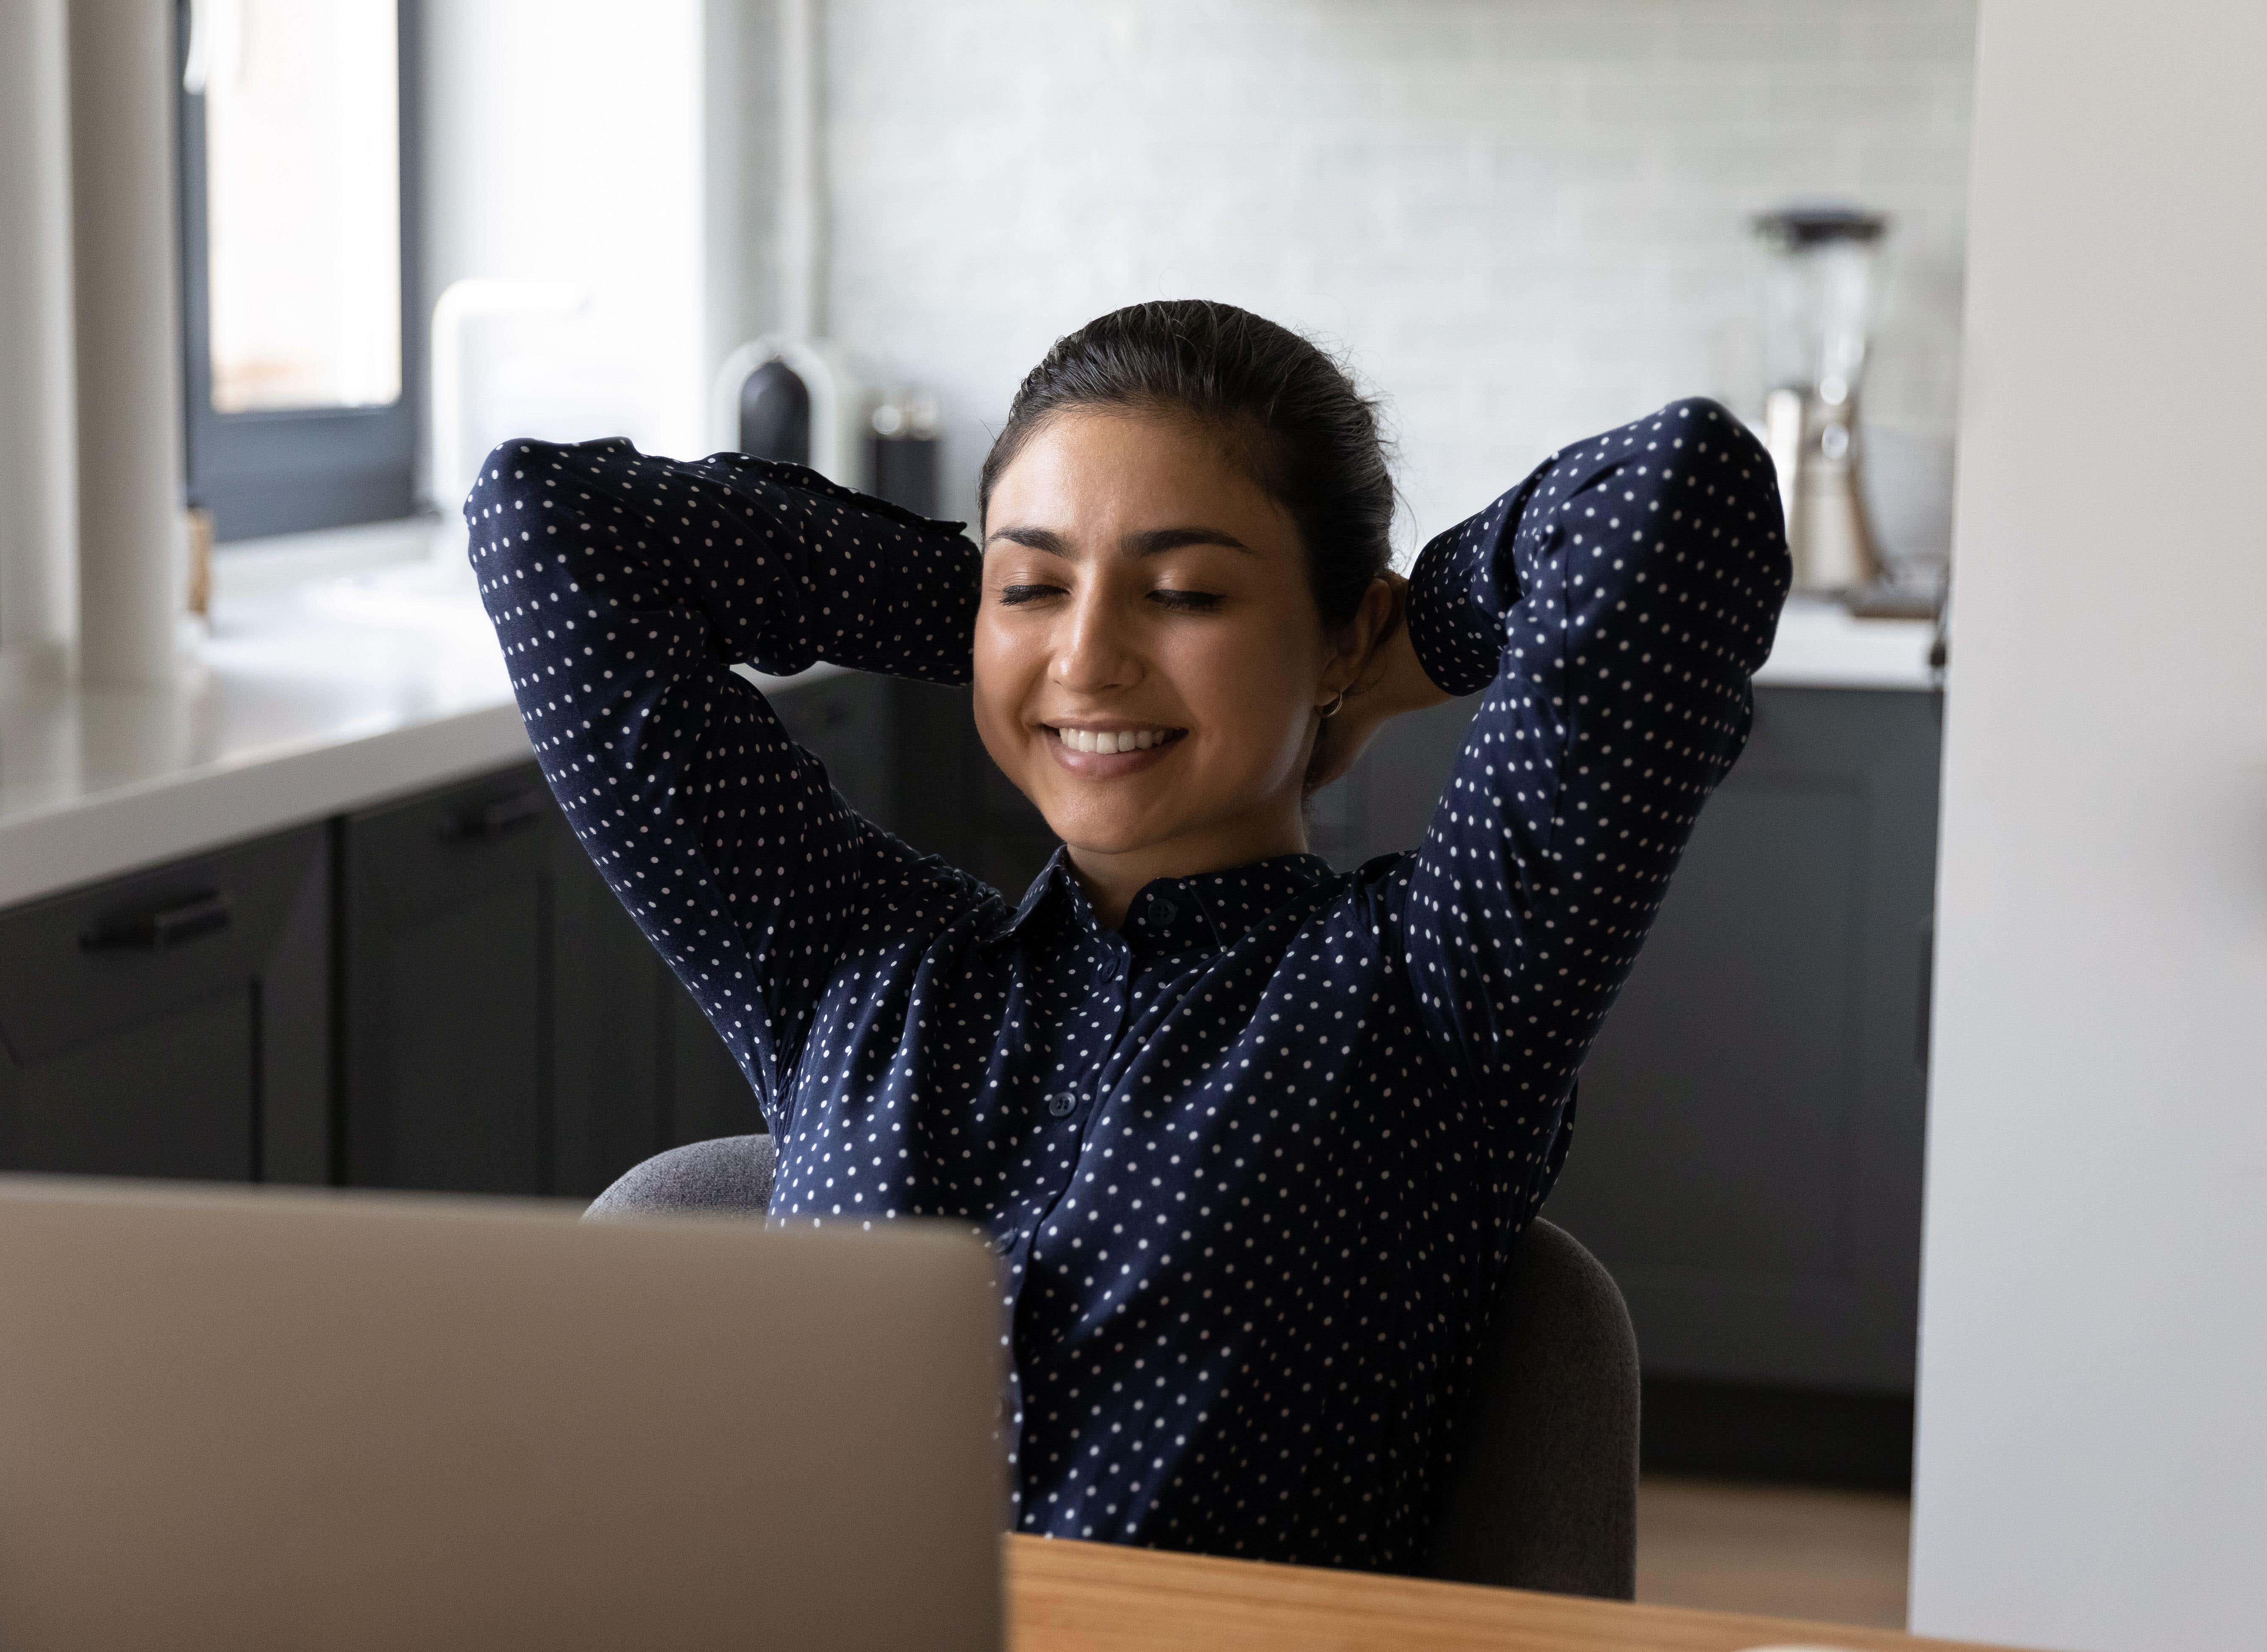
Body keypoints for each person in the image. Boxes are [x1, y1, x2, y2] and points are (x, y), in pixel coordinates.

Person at [466, 299, 1788, 1574]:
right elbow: (547, 526)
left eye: (1188, 595)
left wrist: (1398, 644)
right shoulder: (851, 973)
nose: (1092, 659)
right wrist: (1005, 620)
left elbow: (1679, 498)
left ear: (1343, 630)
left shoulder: (1438, 989)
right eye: (1036, 585)